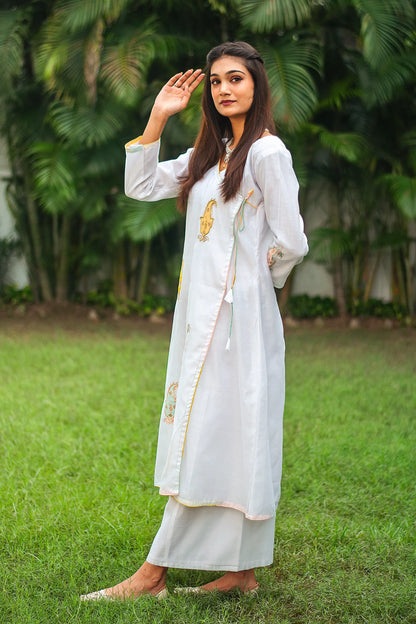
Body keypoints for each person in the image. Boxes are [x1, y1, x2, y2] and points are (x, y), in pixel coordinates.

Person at [80, 40, 308, 601]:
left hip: (238, 326)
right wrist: (159, 116)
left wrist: (257, 282)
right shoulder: (211, 155)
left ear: (256, 84)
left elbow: (293, 240)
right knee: (217, 435)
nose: (225, 88)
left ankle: (152, 575)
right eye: (215, 81)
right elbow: (141, 185)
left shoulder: (267, 154)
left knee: (221, 435)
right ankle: (241, 574)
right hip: (197, 319)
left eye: (236, 78)